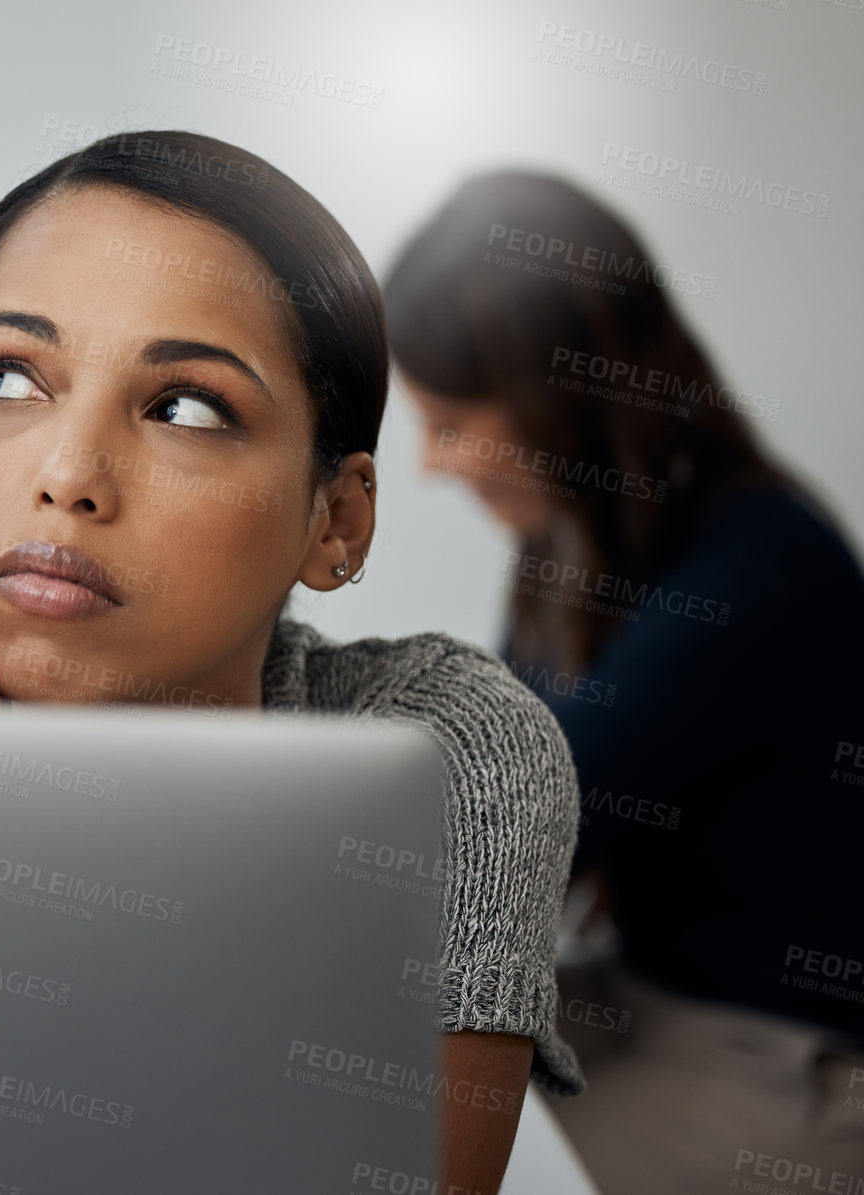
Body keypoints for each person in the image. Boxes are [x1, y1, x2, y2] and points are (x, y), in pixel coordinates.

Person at [0, 131, 584, 1190]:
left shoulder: (432, 750)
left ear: (336, 521)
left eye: (185, 406)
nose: (69, 474)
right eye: (7, 377)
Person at [384, 171, 864, 1193]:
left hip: (782, 1055)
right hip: (641, 993)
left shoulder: (758, 568)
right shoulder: (579, 547)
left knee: (405, 1137)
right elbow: (488, 761)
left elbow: (520, 822)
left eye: (453, 421)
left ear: (567, 399)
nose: (429, 462)